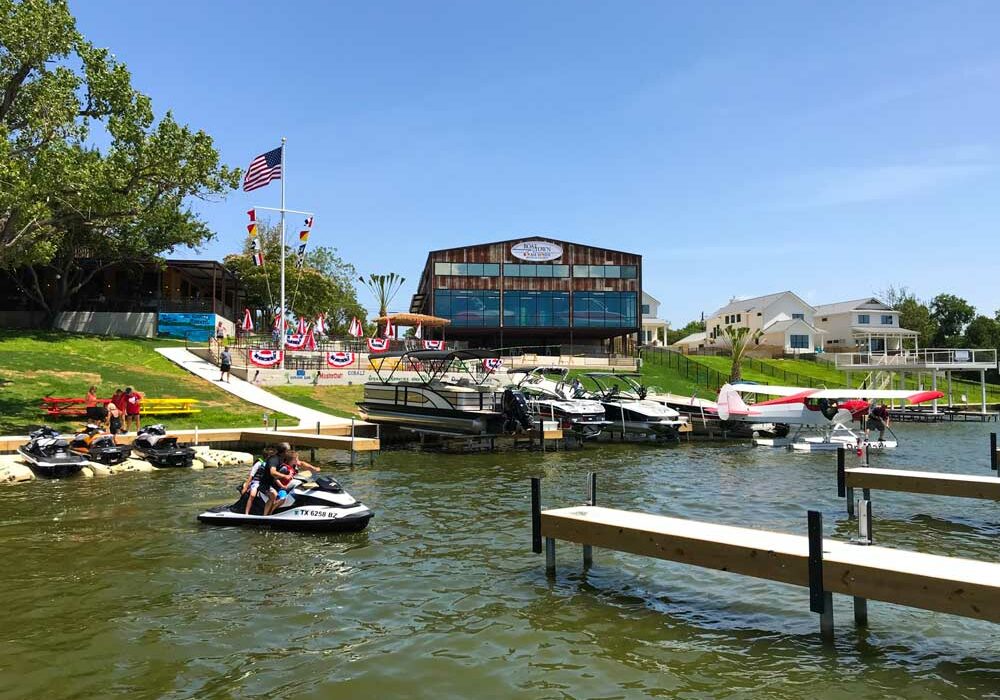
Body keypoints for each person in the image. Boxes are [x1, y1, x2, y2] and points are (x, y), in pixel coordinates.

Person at [241, 447, 274, 515]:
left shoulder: (272, 465)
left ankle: (268, 514)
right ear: (267, 457)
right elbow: (251, 476)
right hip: (256, 482)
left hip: (264, 484)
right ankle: (246, 513)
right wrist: (245, 487)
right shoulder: (258, 464)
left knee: (273, 496)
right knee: (252, 495)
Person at [261, 442, 290, 516]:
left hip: (274, 485)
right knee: (273, 495)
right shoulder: (274, 459)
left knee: (283, 497)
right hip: (265, 485)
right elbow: (272, 472)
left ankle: (272, 514)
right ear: (284, 451)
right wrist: (284, 476)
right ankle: (265, 517)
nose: (289, 452)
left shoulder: (282, 459)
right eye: (288, 451)